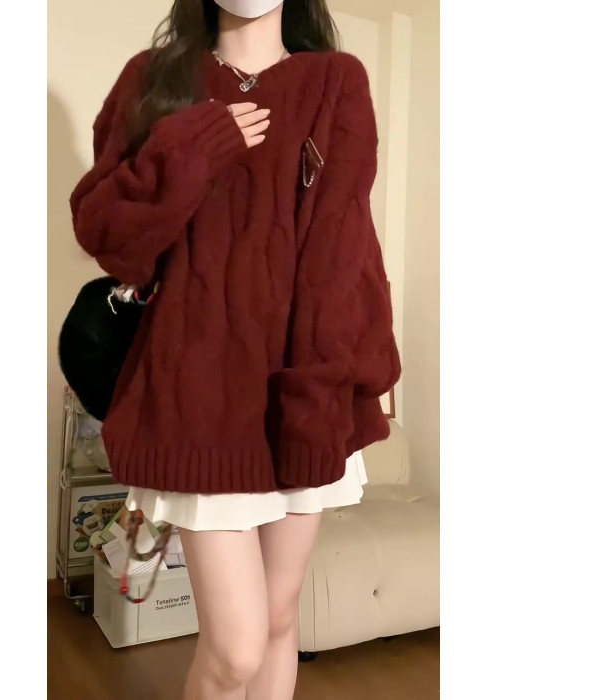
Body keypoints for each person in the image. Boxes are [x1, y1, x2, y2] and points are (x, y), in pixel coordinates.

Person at [70, 0, 400, 697]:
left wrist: (327, 396)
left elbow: (343, 250)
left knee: (279, 620)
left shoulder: (336, 80)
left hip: (305, 388)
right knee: (235, 650)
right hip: (198, 400)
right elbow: (109, 238)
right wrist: (190, 148)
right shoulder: (153, 79)